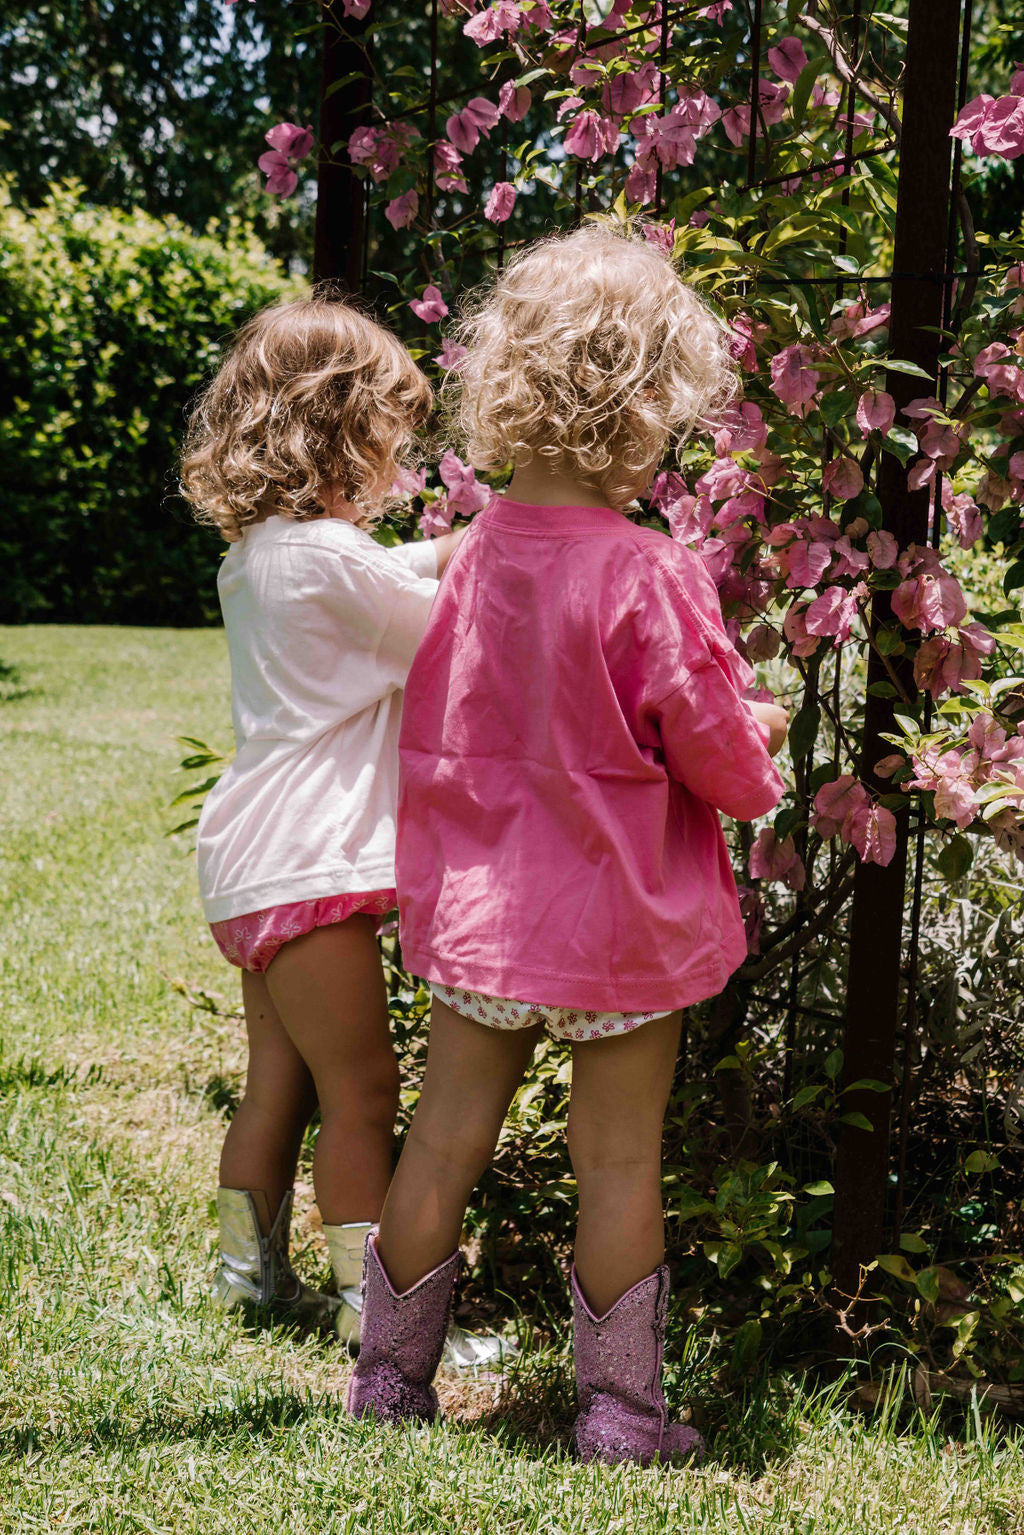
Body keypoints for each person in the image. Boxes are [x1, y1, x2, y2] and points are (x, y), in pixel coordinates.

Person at [346, 225, 788, 1461]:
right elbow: (718, 758)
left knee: (442, 1135)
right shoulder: (652, 572)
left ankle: (385, 1381)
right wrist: (757, 739)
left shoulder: (462, 562)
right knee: (617, 1158)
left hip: (484, 919)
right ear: (648, 407)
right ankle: (618, 1412)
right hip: (621, 929)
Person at [179, 294, 503, 1367]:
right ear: (337, 426)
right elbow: (442, 624)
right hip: (311, 858)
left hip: (252, 859)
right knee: (362, 1089)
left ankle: (249, 1276)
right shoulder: (325, 554)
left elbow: (400, 571)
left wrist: (461, 539)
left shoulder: (262, 555)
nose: (396, 458)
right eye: (388, 433)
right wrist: (509, 545)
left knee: (280, 1077)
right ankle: (382, 1318)